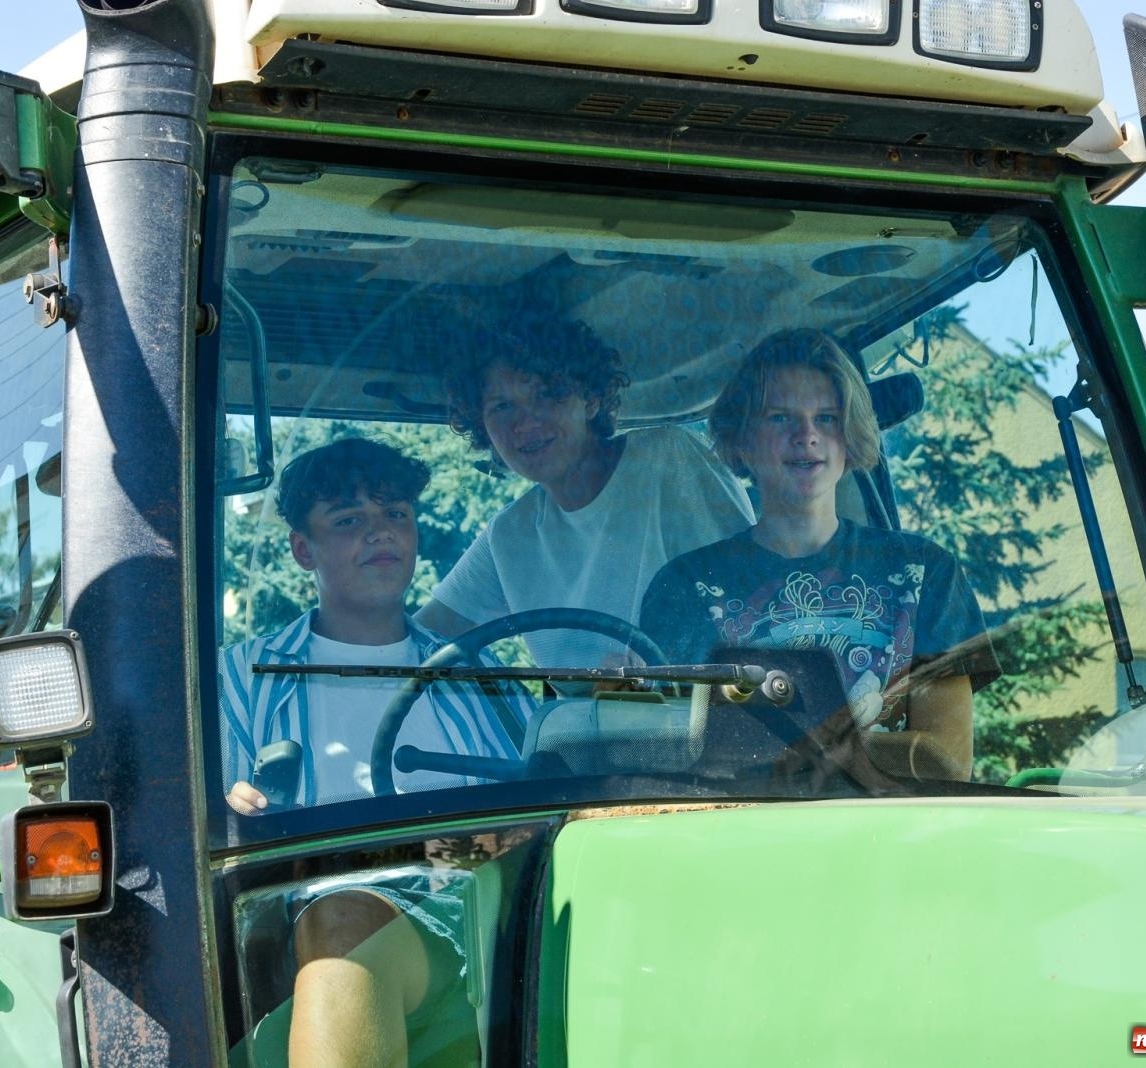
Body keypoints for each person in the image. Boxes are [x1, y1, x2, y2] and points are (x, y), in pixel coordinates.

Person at [221, 437, 528, 1067]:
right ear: (302, 549)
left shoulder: (485, 677)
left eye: (396, 515)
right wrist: (227, 803)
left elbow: (548, 796)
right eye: (349, 520)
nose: (380, 533)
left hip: (487, 917)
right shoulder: (240, 678)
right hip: (309, 925)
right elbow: (199, 817)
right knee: (342, 924)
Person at [639, 329, 999, 781]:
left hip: (894, 841)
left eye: (826, 418)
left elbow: (944, 762)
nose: (806, 435)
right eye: (779, 418)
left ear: (849, 437)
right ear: (742, 441)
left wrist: (773, 750)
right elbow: (674, 764)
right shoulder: (683, 587)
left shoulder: (925, 573)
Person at [416, 316, 755, 667]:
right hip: (578, 722)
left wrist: (670, 663)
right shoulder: (509, 534)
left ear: (591, 400)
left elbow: (756, 596)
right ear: (482, 425)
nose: (525, 423)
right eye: (502, 407)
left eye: (546, 396)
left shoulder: (666, 459)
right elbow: (423, 639)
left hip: (702, 716)